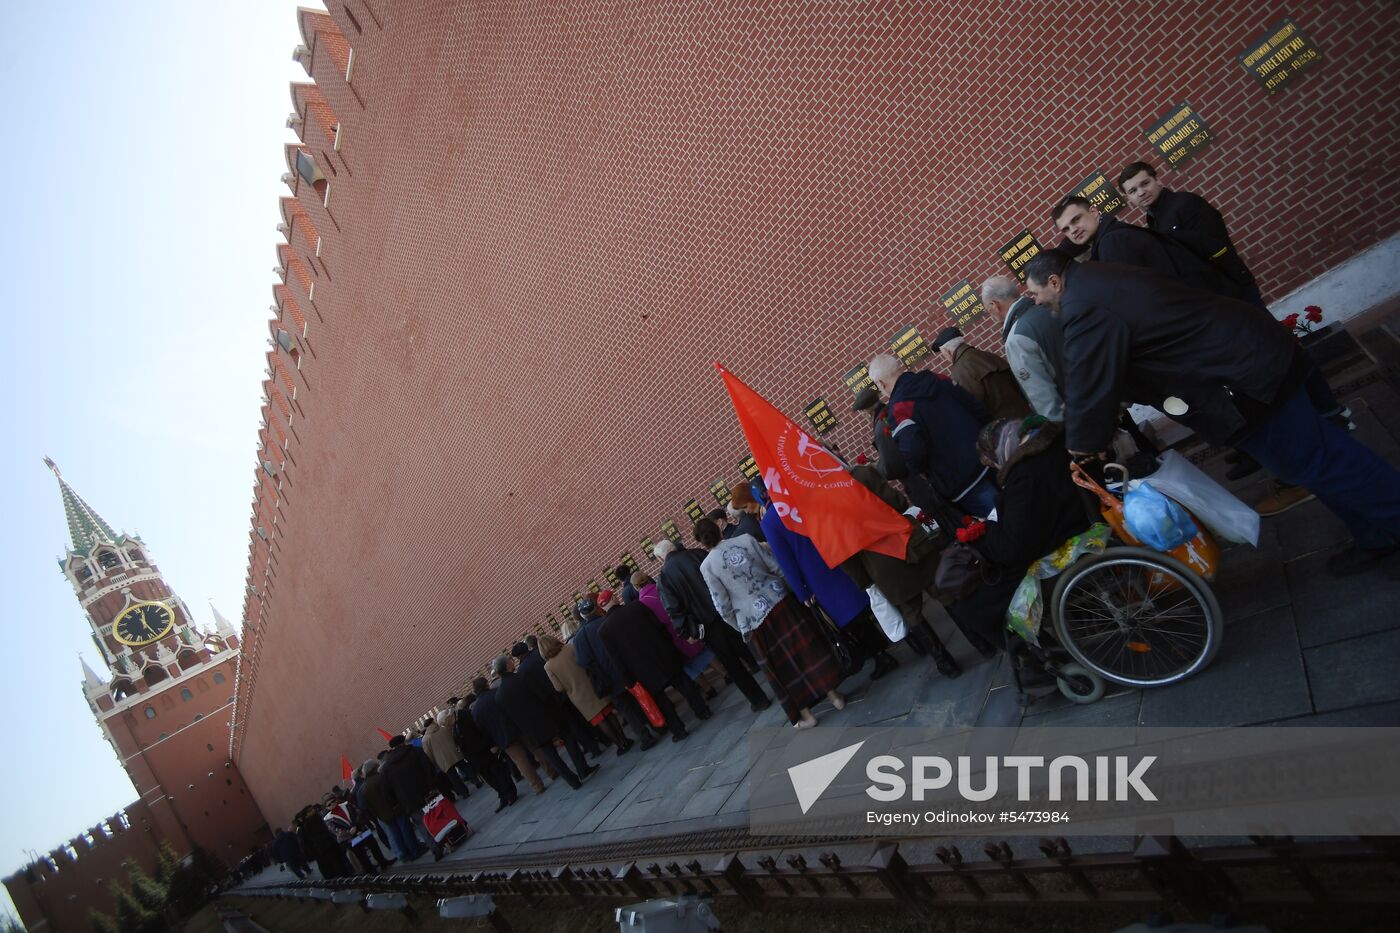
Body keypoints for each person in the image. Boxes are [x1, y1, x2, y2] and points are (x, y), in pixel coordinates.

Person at [1025, 249, 1400, 575]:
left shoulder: (1083, 304)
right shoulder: (1095, 283)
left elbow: (1086, 375)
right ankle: (1373, 534)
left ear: (1055, 282)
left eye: (1035, 293)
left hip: (1246, 379)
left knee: (1326, 461)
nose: (1036, 302)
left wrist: (1081, 444)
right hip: (1244, 368)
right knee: (1311, 464)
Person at [734, 481, 906, 680]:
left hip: (816, 575)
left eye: (746, 506)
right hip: (834, 557)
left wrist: (802, 592)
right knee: (867, 603)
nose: (747, 511)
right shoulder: (793, 500)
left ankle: (881, 656)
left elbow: (786, 561)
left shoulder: (769, 521)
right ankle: (904, 636)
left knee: (851, 620)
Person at [696, 517, 846, 729]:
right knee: (807, 650)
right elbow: (776, 567)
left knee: (782, 667)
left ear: (701, 542)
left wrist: (740, 625)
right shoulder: (746, 540)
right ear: (718, 530)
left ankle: (806, 715)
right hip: (780, 602)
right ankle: (834, 696)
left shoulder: (707, 567)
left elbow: (722, 606)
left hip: (754, 622)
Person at [867, 352, 997, 518]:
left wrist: (930, 475)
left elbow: (914, 453)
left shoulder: (899, 409)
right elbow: (975, 407)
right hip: (987, 458)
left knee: (1007, 524)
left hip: (959, 479)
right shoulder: (937, 379)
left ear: (881, 383)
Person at [1118, 160, 1261, 306]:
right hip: (1209, 299)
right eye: (1133, 191)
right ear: (1128, 198)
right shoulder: (1153, 220)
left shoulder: (1186, 203)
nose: (1141, 193)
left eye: (1145, 183)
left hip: (1233, 290)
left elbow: (1216, 247)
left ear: (1158, 180)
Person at [654, 538, 771, 712]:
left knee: (732, 664)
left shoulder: (664, 578)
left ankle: (758, 699)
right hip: (728, 611)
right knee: (750, 648)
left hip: (706, 625)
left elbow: (673, 608)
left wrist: (686, 632)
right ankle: (777, 680)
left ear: (660, 558)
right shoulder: (696, 554)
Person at [1051, 195, 1240, 298]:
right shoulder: (1111, 238)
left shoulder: (1113, 242)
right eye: (1066, 229)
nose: (1073, 230)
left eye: (1076, 220)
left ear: (1093, 212)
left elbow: (1139, 299)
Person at [597, 589, 713, 741]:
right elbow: (659, 627)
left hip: (641, 670)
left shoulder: (604, 631)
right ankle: (702, 711)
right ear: (615, 598)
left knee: (662, 702)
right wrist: (669, 646)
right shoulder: (637, 606)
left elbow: (616, 659)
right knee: (684, 685)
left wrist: (629, 681)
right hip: (663, 655)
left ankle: (679, 730)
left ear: (603, 608)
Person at [493, 654, 597, 787]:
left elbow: (510, 718)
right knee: (569, 739)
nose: (513, 662)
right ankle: (583, 769)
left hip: (531, 729)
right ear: (507, 665)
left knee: (551, 756)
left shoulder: (499, 696)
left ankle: (572, 781)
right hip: (548, 717)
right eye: (510, 661)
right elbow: (542, 694)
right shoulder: (523, 677)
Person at [981, 275, 1065, 421]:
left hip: (1077, 416)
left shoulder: (1016, 339)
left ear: (995, 305)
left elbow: (1042, 396)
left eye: (988, 310)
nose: (991, 315)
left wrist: (1059, 431)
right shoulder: (1050, 307)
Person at [541, 632, 635, 756]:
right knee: (608, 713)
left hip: (578, 696)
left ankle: (619, 745)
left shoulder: (548, 666)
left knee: (600, 720)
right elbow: (584, 662)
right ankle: (625, 740)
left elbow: (559, 688)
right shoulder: (569, 647)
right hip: (592, 685)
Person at [631, 570, 718, 689]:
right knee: (703, 652)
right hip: (681, 625)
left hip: (670, 635)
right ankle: (725, 674)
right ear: (647, 578)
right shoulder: (661, 587)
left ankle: (708, 688)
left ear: (635, 587)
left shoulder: (642, 603)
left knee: (687, 665)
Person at [931, 326, 1032, 423]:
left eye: (942, 353)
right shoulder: (987, 355)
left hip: (1008, 430)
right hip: (1027, 416)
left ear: (947, 351)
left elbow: (972, 411)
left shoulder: (960, 372)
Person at [470, 674, 550, 794]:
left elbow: (483, 729)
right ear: (486, 684)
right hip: (516, 727)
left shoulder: (475, 710)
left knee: (521, 761)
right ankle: (552, 771)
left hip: (502, 738)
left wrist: (493, 743)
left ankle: (537, 786)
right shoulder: (496, 693)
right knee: (535, 749)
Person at [381, 735, 446, 859]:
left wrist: (397, 802)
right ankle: (448, 837)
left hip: (409, 802)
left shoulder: (387, 767)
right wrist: (433, 785)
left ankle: (435, 848)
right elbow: (429, 767)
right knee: (438, 815)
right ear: (403, 742)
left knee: (422, 824)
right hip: (427, 793)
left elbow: (387, 790)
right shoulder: (415, 751)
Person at [453, 695, 518, 812]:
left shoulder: (467, 715)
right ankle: (502, 795)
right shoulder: (454, 726)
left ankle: (510, 793)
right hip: (475, 758)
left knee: (498, 772)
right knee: (490, 778)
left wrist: (490, 744)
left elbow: (481, 729)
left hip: (484, 750)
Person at [360, 758, 423, 862]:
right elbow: (390, 793)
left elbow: (369, 806)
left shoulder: (365, 787)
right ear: (374, 768)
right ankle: (414, 850)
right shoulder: (380, 778)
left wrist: (378, 815)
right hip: (395, 809)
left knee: (396, 835)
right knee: (405, 830)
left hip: (383, 815)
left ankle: (405, 854)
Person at [422, 709, 475, 802]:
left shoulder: (425, 739)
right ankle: (476, 780)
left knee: (453, 777)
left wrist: (434, 763)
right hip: (454, 752)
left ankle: (464, 792)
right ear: (433, 721)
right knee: (465, 767)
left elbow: (428, 754)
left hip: (442, 760)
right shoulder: (444, 728)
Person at [294, 803, 351, 879]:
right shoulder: (308, 824)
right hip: (324, 846)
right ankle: (343, 876)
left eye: (313, 809)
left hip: (328, 843)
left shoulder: (317, 818)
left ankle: (344, 875)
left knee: (338, 860)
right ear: (306, 815)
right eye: (310, 810)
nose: (313, 811)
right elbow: (309, 840)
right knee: (335, 862)